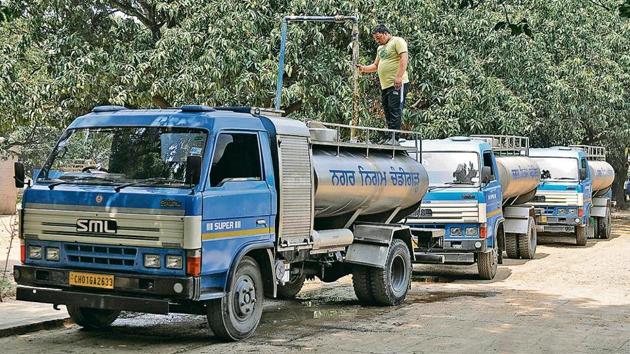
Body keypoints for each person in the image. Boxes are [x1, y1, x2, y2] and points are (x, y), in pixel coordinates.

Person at [358, 24, 410, 144]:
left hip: (397, 84)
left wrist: (398, 77)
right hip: (385, 85)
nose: (377, 40)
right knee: (387, 110)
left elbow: (404, 58)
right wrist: (364, 68)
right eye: (375, 38)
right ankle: (389, 137)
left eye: (379, 37)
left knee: (395, 109)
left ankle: (395, 138)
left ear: (386, 33)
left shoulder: (397, 41)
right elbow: (376, 65)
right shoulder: (380, 49)